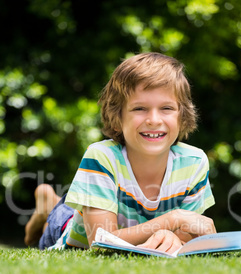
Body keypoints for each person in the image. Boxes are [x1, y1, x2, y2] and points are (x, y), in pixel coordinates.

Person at [25, 52, 216, 254]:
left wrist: (175, 236)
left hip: (98, 205)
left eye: (166, 108)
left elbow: (186, 236)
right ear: (118, 117)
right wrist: (172, 219)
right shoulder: (101, 157)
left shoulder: (194, 162)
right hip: (71, 227)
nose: (153, 120)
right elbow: (100, 241)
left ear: (182, 115)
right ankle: (49, 207)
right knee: (59, 219)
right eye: (140, 108)